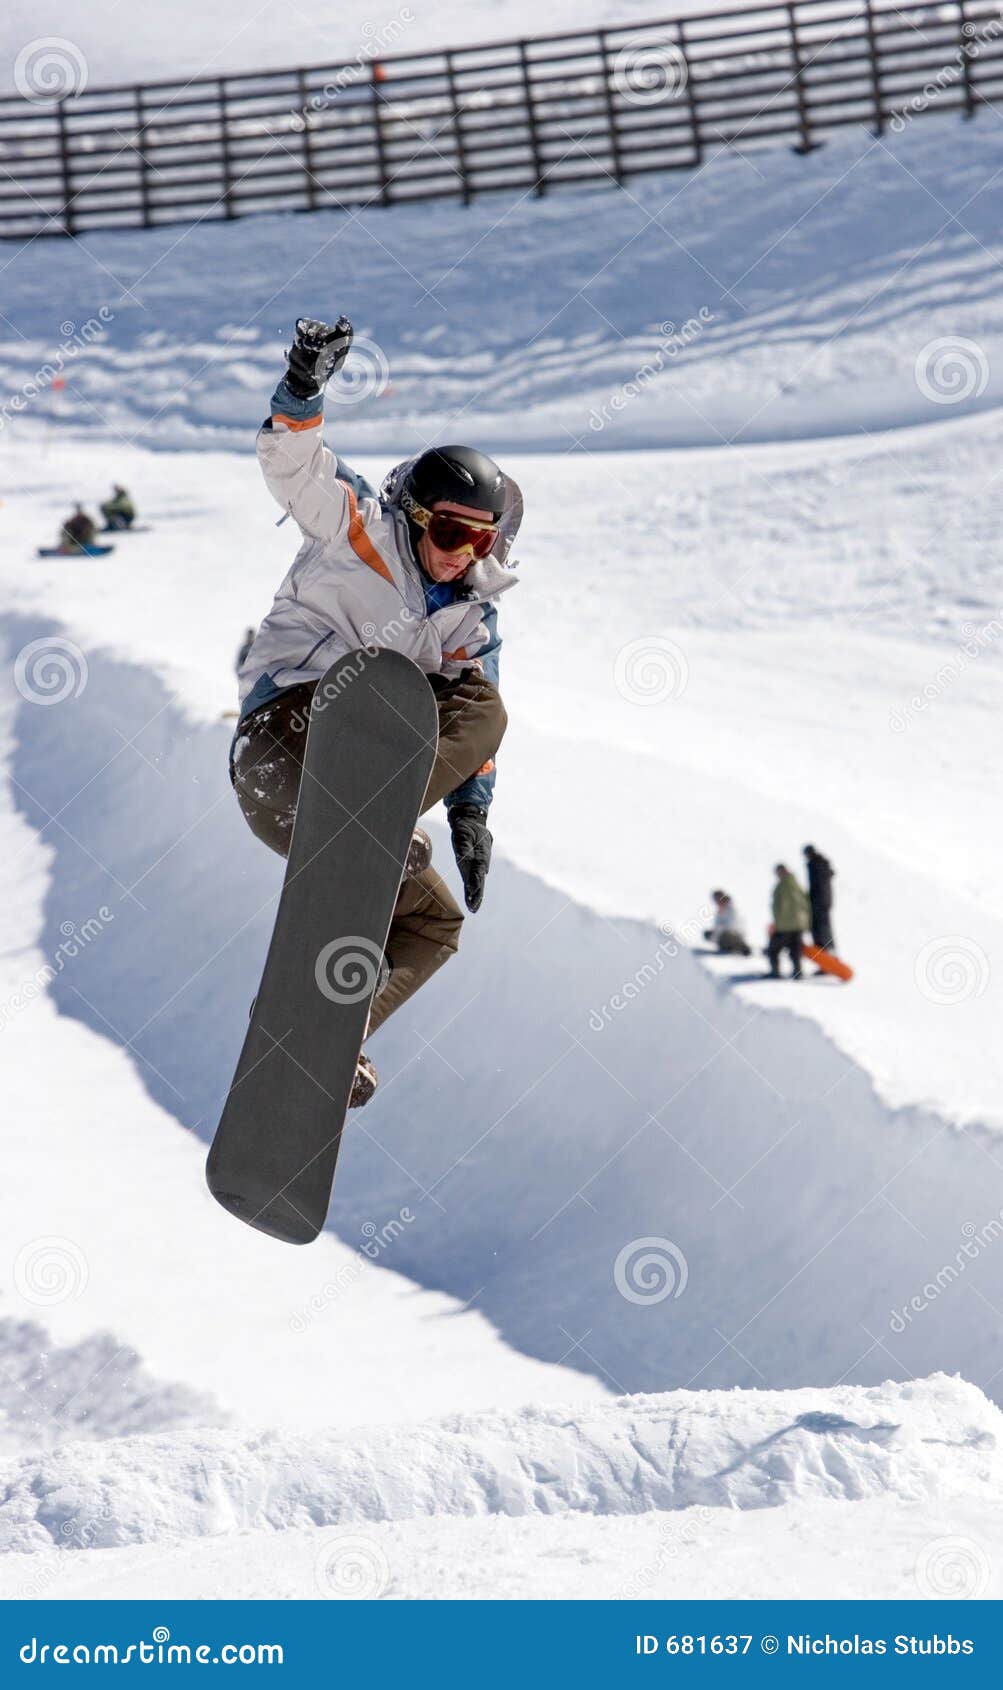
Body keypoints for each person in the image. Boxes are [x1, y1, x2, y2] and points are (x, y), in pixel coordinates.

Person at [232, 316, 520, 1108]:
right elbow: (292, 465)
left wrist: (469, 818)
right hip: (284, 742)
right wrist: (303, 382)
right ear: (422, 516)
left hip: (315, 812)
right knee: (439, 695)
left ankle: (332, 1029)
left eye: (482, 542)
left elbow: (475, 725)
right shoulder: (356, 523)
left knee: (435, 924)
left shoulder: (469, 619)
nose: (463, 554)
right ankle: (377, 818)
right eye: (454, 532)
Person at [767, 863, 811, 980]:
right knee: (795, 950)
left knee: (773, 949)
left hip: (786, 925)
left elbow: (783, 906)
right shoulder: (796, 884)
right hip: (799, 924)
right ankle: (798, 972)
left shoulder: (783, 886)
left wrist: (778, 923)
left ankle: (775, 972)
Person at [803, 844, 835, 954]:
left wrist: (813, 900)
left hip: (819, 902)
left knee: (820, 929)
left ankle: (825, 954)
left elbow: (818, 886)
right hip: (823, 901)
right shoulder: (821, 864)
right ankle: (827, 952)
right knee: (823, 927)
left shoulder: (816, 865)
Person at [703, 889, 750, 956]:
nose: (716, 902)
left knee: (725, 935)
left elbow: (730, 926)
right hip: (723, 934)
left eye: (717, 899)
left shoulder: (731, 909)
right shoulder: (720, 911)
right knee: (708, 934)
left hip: (735, 935)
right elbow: (717, 926)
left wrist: (717, 932)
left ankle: (741, 947)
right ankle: (725, 947)